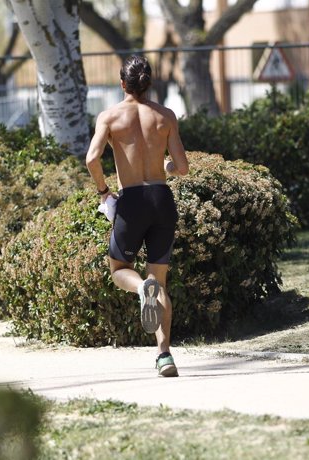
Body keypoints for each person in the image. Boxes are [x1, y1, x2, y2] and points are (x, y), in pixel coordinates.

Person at [85, 55, 189, 377]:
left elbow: (92, 159)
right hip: (161, 198)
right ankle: (165, 356)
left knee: (119, 271)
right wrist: (167, 168)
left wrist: (104, 192)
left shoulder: (110, 116)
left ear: (122, 84)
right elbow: (182, 167)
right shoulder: (165, 115)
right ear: (149, 84)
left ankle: (141, 286)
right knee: (161, 282)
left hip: (131, 200)